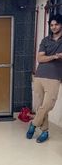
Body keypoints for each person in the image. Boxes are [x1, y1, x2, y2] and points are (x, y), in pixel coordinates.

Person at [26, 13, 62, 143]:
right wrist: (54, 57)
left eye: (56, 24)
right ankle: (45, 132)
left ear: (61, 25)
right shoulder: (45, 40)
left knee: (47, 105)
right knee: (40, 105)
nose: (53, 27)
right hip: (40, 76)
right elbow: (40, 58)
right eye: (51, 25)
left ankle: (33, 124)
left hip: (54, 77)